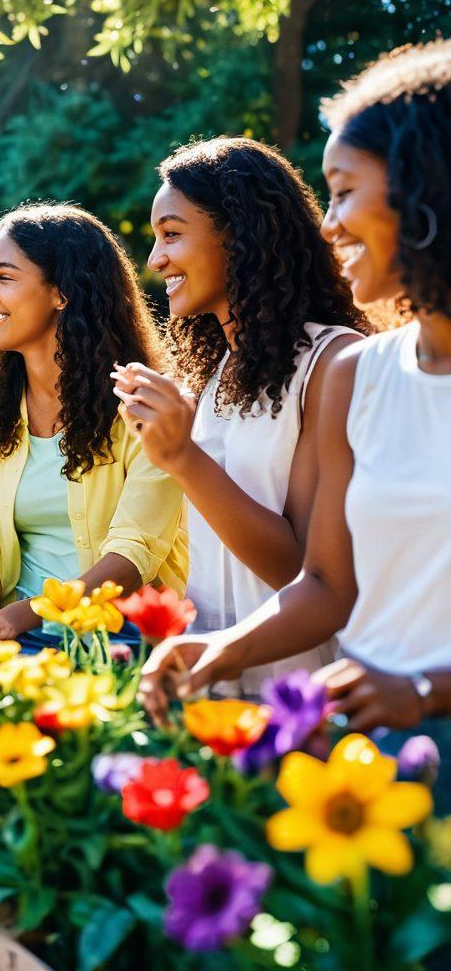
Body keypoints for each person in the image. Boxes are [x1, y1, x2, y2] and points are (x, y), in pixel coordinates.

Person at [139, 40, 451, 807]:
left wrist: (425, 689)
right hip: (351, 747)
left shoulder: (333, 361)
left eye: (343, 192)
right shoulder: (371, 373)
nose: (330, 223)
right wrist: (212, 650)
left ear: (424, 190)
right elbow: (326, 582)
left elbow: (300, 570)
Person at [113, 138, 370, 696]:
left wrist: (182, 456)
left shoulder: (331, 362)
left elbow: (301, 570)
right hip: (209, 682)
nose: (156, 259)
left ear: (240, 232)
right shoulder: (213, 373)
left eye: (172, 234)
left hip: (297, 690)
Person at [0, 203, 188, 658]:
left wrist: (31, 613)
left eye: (5, 277)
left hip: (121, 640)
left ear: (61, 293)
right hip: (15, 639)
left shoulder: (145, 403)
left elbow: (134, 553)